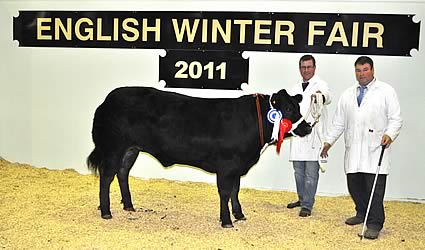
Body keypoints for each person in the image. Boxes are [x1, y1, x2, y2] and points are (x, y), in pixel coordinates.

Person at [320, 56, 402, 239]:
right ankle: (361, 213)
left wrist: (390, 134)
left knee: (374, 189)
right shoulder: (348, 94)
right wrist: (328, 142)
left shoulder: (386, 91)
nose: (362, 74)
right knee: (355, 186)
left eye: (365, 70)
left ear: (372, 70)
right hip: (354, 149)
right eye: (358, 70)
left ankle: (374, 223)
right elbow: (339, 122)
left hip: (375, 149)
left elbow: (396, 119)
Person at [286, 55, 332, 217]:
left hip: (314, 135)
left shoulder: (320, 84)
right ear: (300, 69)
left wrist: (320, 95)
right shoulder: (295, 87)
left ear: (314, 68)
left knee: (311, 172)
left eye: (309, 67)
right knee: (298, 171)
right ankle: (301, 198)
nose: (306, 70)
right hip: (298, 134)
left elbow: (328, 96)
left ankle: (307, 204)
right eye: (303, 67)